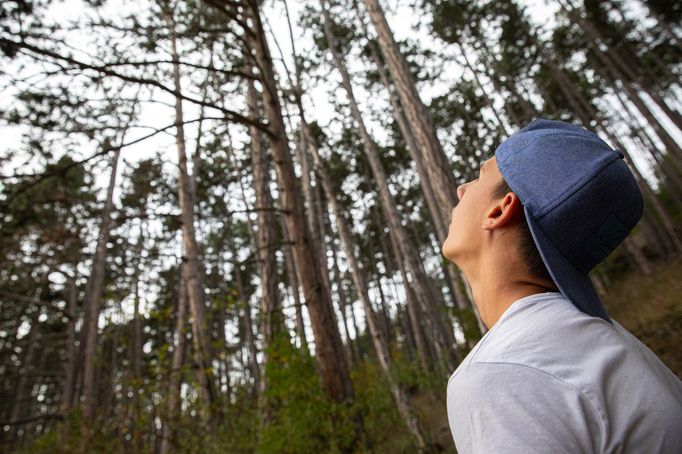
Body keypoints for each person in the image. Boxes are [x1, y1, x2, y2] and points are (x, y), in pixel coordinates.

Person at [442, 119, 682, 453]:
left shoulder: (501, 374)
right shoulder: (621, 349)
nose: (462, 189)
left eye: (481, 175)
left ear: (499, 210)